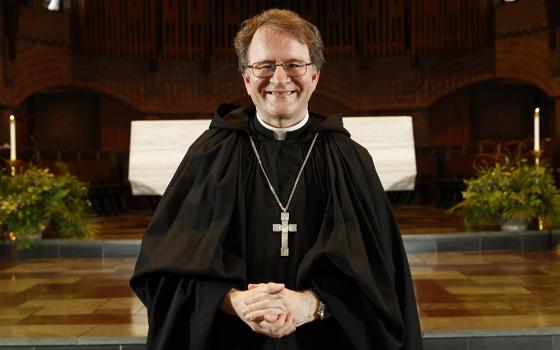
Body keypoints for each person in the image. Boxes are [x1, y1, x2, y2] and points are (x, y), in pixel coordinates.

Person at [130, 8, 423, 350]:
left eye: (294, 65)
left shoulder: (349, 160)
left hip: (325, 339)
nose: (279, 79)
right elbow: (164, 272)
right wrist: (233, 301)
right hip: (229, 339)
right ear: (246, 78)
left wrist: (313, 305)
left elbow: (382, 278)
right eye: (265, 66)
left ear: (314, 75)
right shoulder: (208, 157)